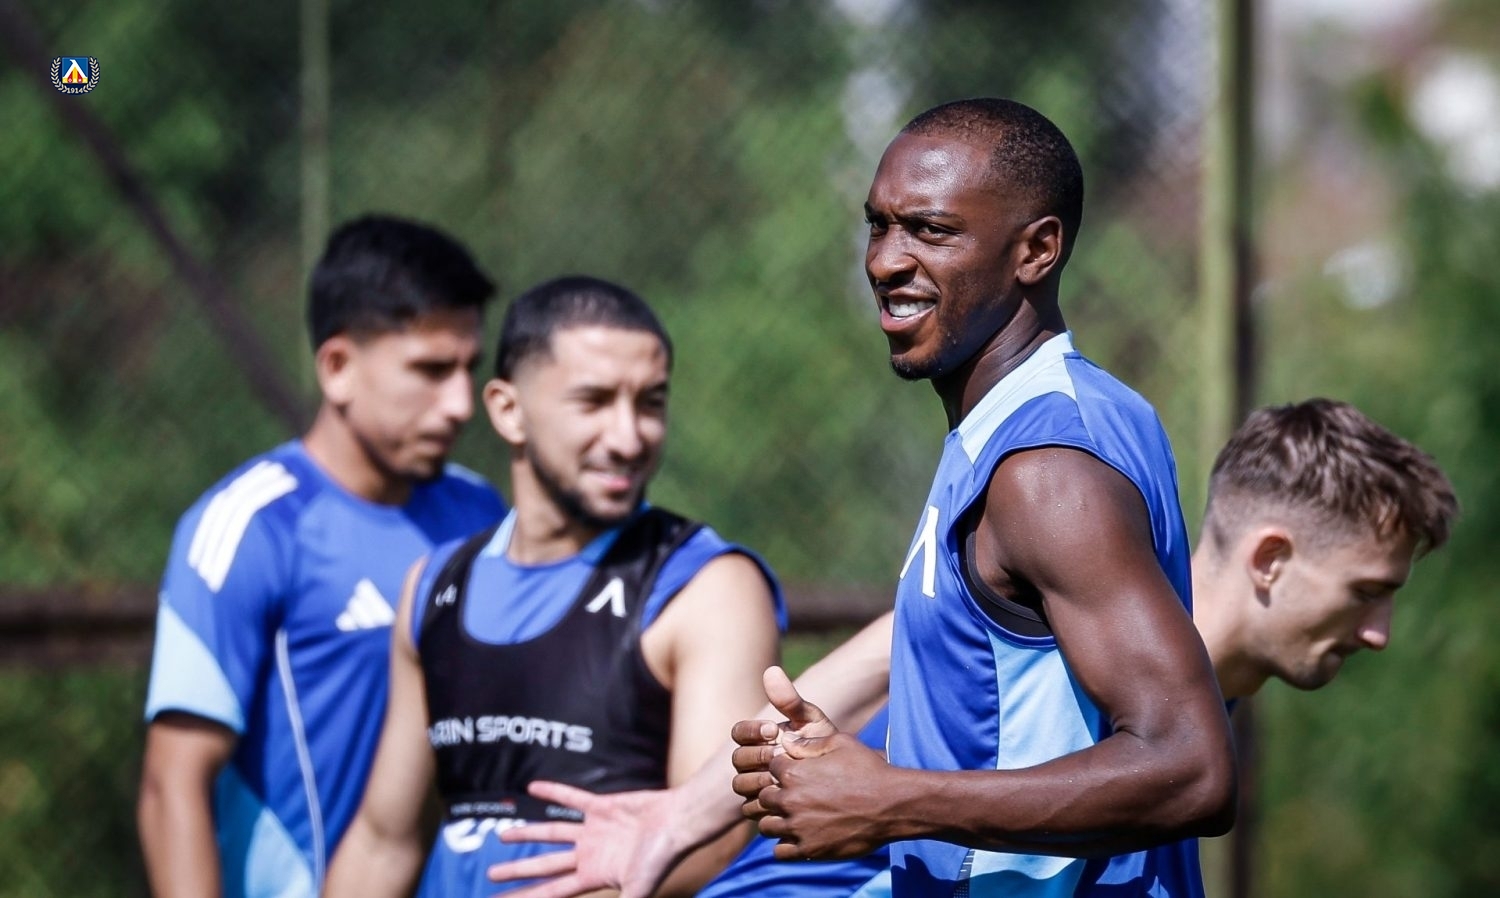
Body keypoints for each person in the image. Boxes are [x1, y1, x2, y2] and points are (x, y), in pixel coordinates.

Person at [486, 97, 1237, 898]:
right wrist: (716, 806)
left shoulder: (1044, 468)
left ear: (1037, 250)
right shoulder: (1061, 417)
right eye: (879, 225)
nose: (885, 262)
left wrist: (889, 800)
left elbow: (1189, 766)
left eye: (932, 231)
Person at [692, 396, 1459, 898]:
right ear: (1270, 560)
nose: (1380, 633)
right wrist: (683, 818)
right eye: (1365, 591)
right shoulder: (1075, 682)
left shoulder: (1175, 726)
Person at [322, 275, 786, 897]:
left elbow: (709, 846)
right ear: (508, 411)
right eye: (594, 402)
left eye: (650, 403)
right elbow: (384, 841)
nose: (628, 437)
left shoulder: (706, 587)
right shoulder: (433, 587)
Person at [136, 215, 507, 897]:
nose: (461, 403)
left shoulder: (482, 516)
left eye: (469, 370)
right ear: (338, 368)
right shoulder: (249, 528)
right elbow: (173, 784)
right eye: (430, 370)